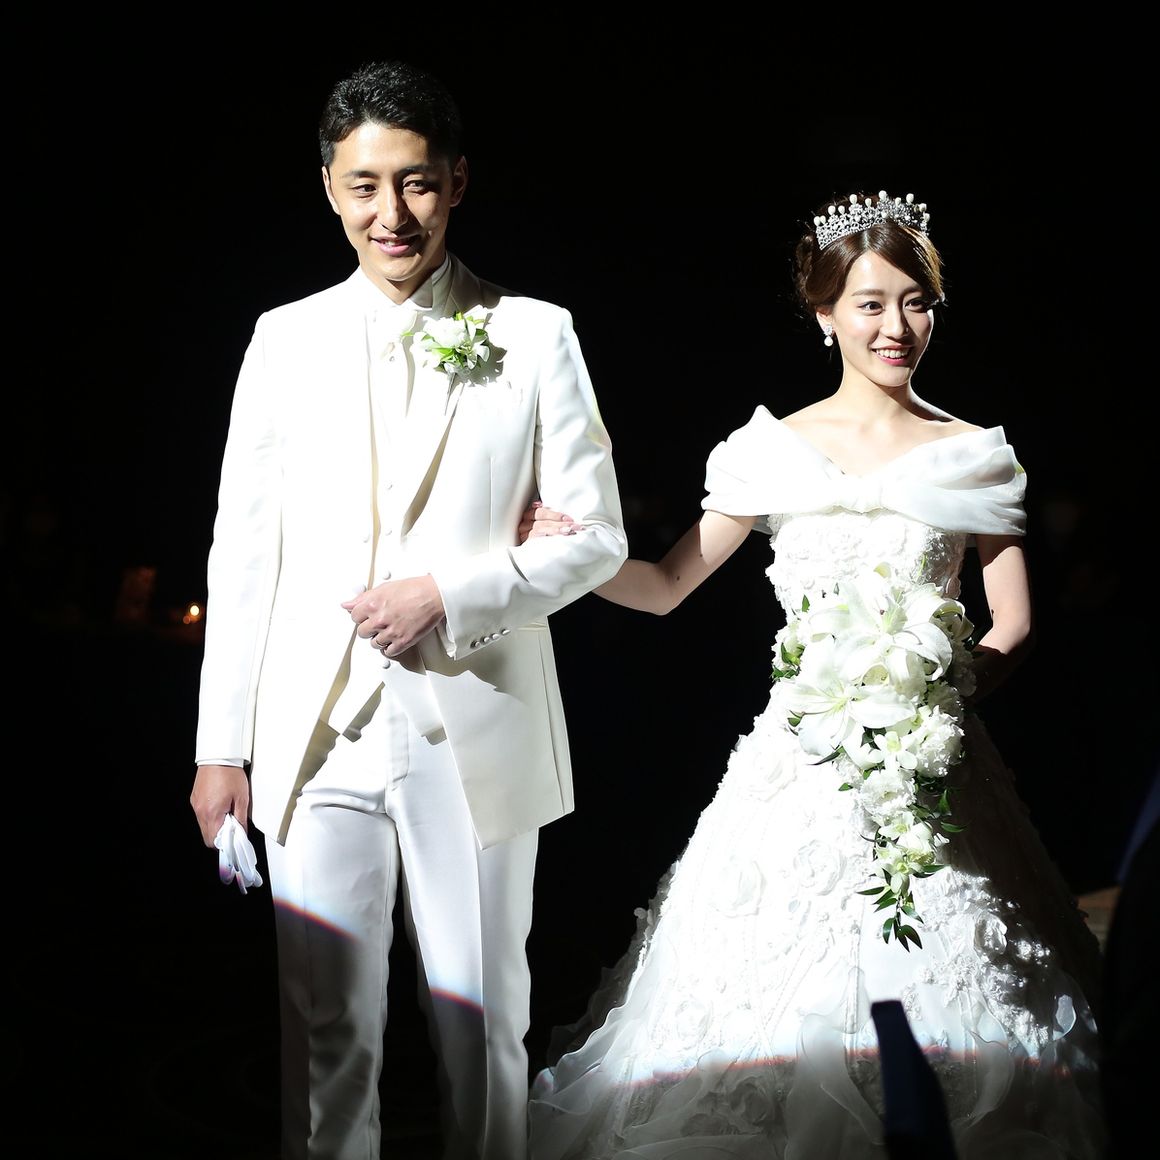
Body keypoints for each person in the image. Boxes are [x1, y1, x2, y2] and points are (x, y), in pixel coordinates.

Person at [521, 190, 1106, 1158]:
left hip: (935, 767)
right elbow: (665, 586)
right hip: (797, 770)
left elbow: (1013, 623)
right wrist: (566, 552)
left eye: (915, 302)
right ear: (825, 312)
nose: (895, 326)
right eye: (870, 303)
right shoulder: (768, 452)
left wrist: (937, 696)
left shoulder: (973, 455)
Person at [188, 59, 626, 1160]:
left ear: (457, 182)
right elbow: (243, 551)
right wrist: (220, 745)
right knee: (323, 1027)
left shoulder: (536, 333)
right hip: (312, 731)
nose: (392, 212)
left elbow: (599, 538)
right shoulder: (281, 339)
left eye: (418, 182)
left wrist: (451, 592)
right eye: (365, 185)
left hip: (474, 723)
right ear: (329, 189)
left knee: (478, 1025)